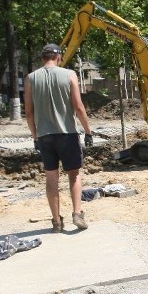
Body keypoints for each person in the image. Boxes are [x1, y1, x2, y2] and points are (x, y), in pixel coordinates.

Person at [24, 43, 93, 233]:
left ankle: (56, 221)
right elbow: (78, 107)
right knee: (74, 174)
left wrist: (35, 136)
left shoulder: (31, 79)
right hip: (67, 134)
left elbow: (28, 113)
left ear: (42, 58)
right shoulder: (69, 75)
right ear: (59, 57)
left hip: (45, 136)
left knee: (51, 178)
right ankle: (77, 214)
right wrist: (88, 131)